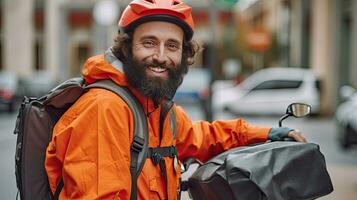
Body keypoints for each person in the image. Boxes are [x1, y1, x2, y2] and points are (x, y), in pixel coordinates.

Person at [45, 0, 306, 199]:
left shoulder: (157, 109)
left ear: (183, 54)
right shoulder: (105, 108)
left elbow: (202, 137)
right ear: (126, 48)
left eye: (172, 46)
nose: (160, 56)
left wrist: (266, 134)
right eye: (149, 43)